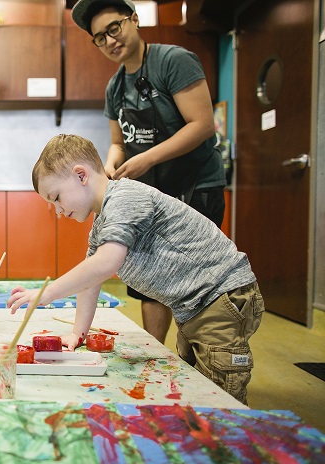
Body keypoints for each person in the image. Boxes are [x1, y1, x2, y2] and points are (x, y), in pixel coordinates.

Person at [7, 134, 263, 405]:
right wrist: (77, 334)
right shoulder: (101, 224)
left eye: (56, 197)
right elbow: (91, 280)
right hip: (193, 307)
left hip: (221, 297)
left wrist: (46, 293)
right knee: (196, 388)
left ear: (81, 175)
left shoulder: (126, 197)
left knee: (221, 401)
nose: (58, 211)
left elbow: (107, 262)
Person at [71, 0, 226, 344]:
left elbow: (202, 125)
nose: (110, 40)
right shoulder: (114, 88)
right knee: (149, 279)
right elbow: (118, 144)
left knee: (193, 283)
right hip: (149, 194)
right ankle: (157, 354)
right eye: (100, 37)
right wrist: (111, 164)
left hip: (195, 187)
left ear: (134, 20)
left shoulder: (173, 61)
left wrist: (149, 159)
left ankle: (194, 359)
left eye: (115, 28)